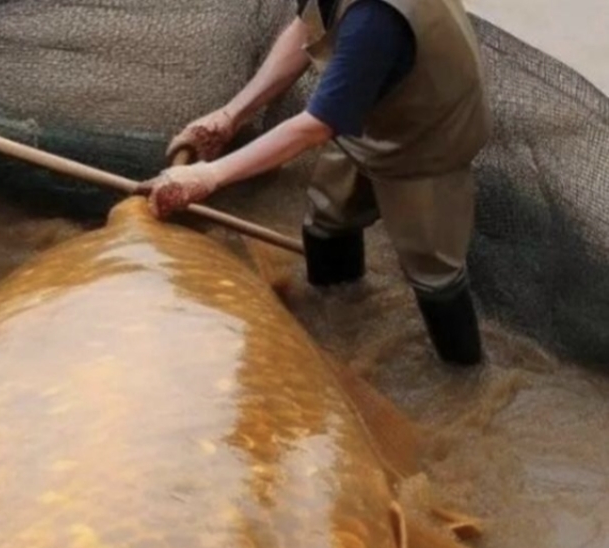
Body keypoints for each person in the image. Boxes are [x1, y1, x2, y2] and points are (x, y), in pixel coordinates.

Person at [143, 0, 490, 366]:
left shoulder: (375, 19)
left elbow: (316, 127)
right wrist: (230, 116)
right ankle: (338, 320)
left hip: (429, 140)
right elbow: (305, 29)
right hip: (371, 115)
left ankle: (464, 373)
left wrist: (208, 176)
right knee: (327, 218)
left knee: (433, 271)